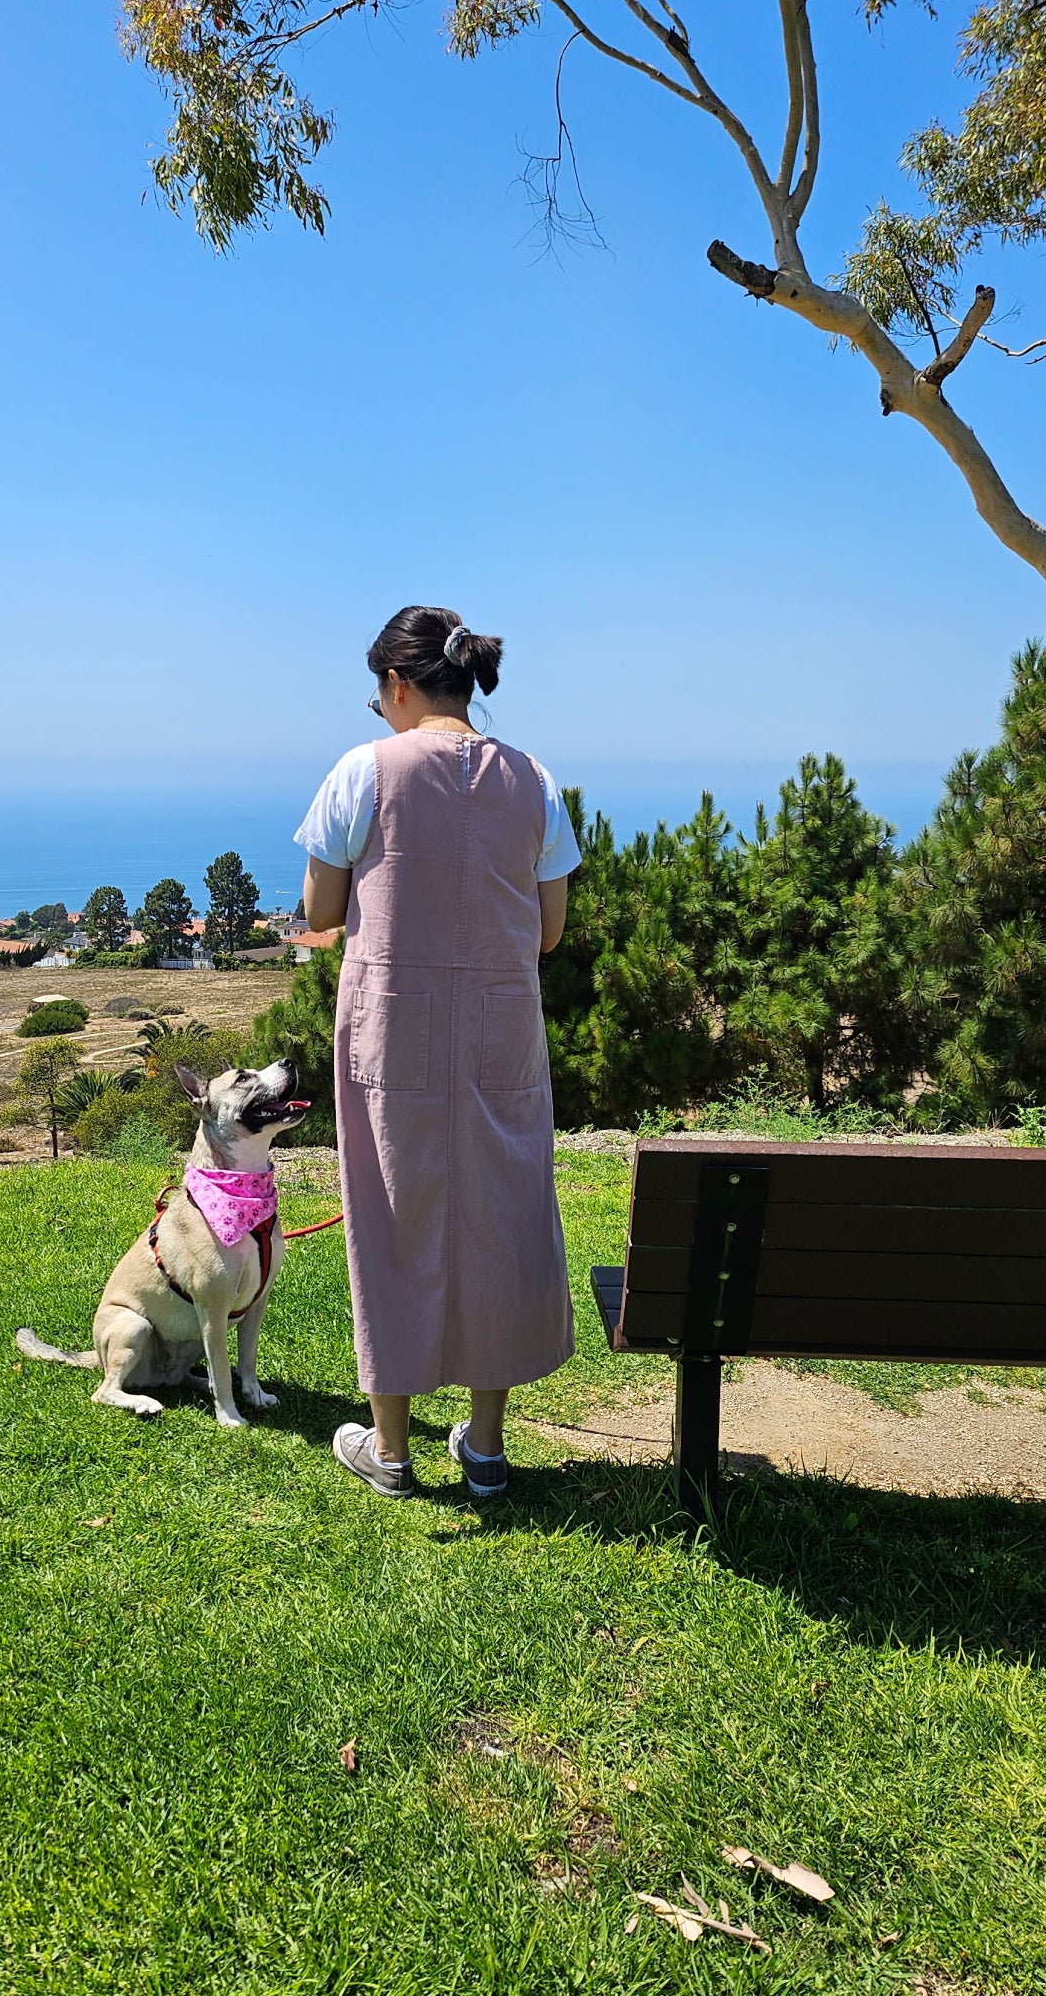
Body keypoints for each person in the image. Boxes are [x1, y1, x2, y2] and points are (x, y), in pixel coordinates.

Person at [294, 605, 582, 1498]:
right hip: (501, 1028)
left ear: (399, 684)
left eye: (378, 692)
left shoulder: (362, 771)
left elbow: (321, 913)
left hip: (396, 1029)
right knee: (500, 1211)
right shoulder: (533, 780)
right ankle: (486, 1449)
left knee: (391, 1213)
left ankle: (390, 1450)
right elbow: (550, 931)